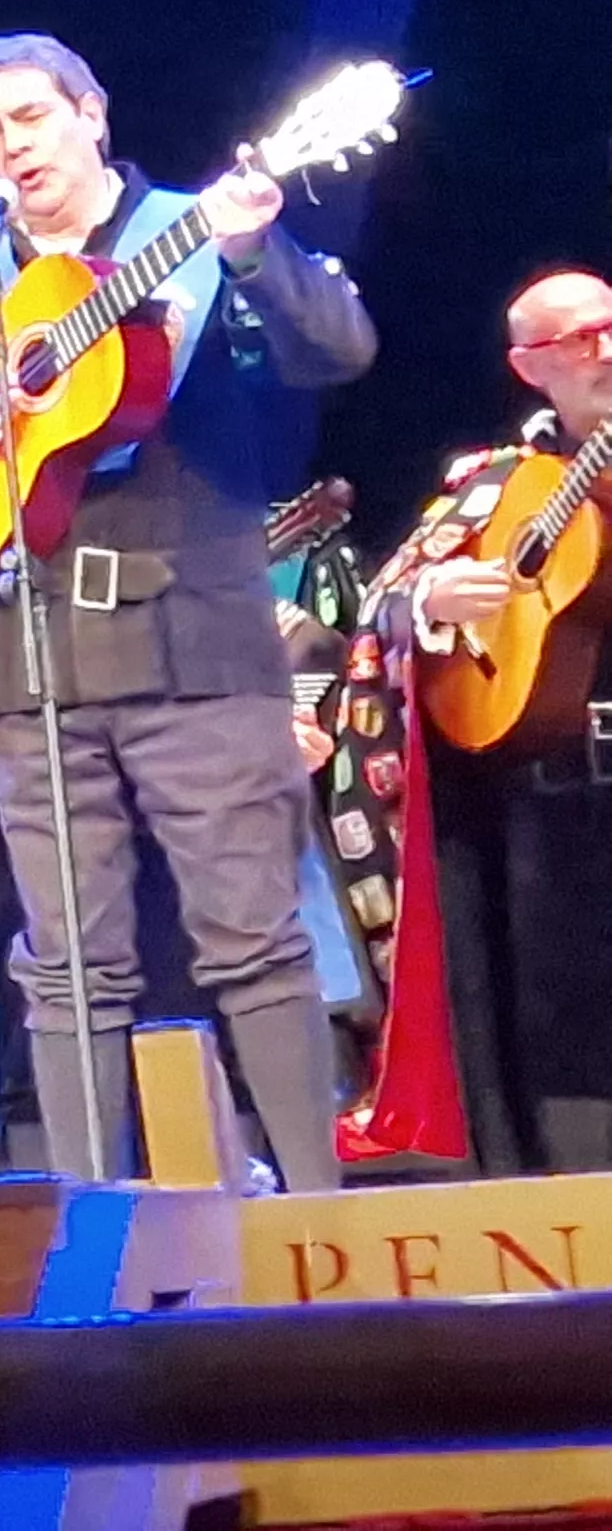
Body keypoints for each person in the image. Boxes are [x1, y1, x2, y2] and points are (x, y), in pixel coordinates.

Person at [0, 33, 373, 1189]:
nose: (13, 149)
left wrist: (256, 245)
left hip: (195, 645)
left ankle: (317, 1219)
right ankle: (94, 1232)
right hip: (30, 660)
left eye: (29, 119)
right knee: (63, 963)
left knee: (252, 942)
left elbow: (338, 350)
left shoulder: (198, 236)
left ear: (91, 113)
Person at [361, 268, 612, 1174]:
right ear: (528, 365)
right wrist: (434, 594)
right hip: (545, 802)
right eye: (578, 339)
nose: (606, 350)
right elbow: (384, 601)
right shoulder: (496, 485)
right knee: (551, 1047)